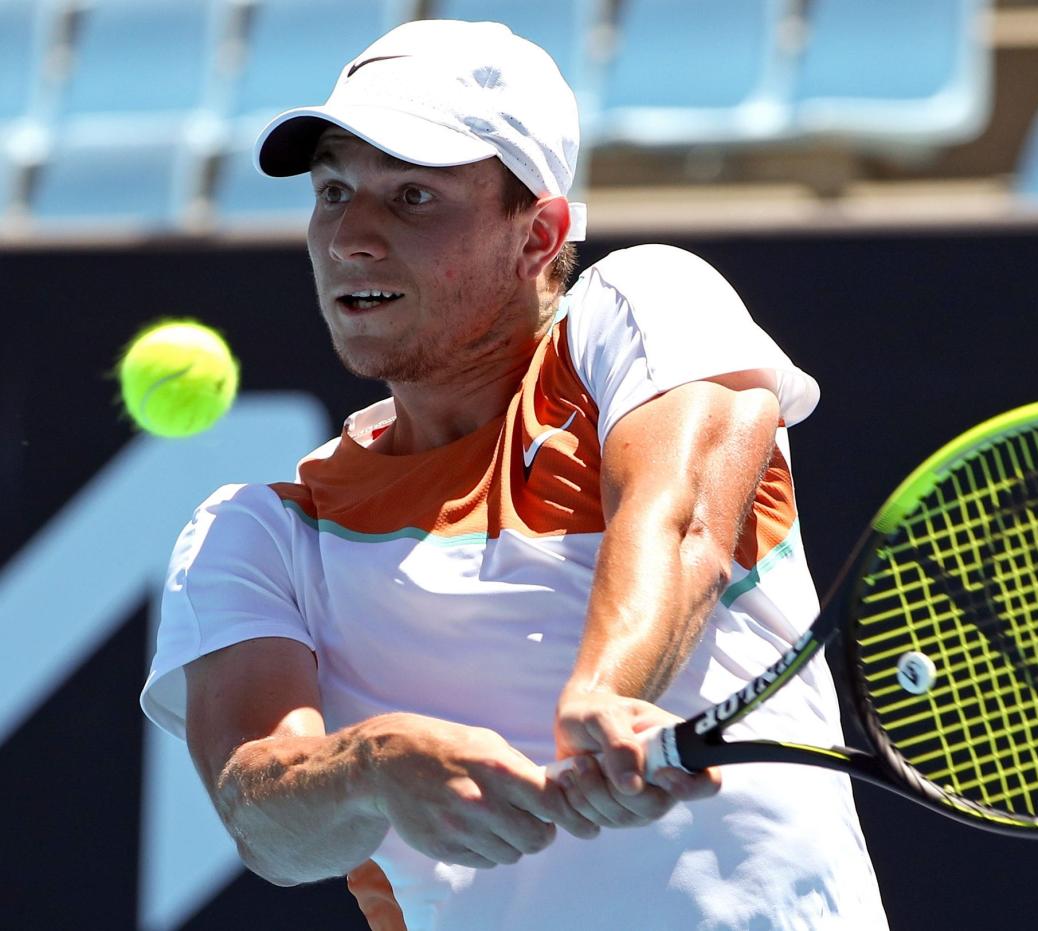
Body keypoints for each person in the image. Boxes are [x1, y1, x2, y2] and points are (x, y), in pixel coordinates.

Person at [139, 18, 889, 931]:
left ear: (539, 235)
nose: (352, 236)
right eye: (334, 191)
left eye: (413, 196)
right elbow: (263, 820)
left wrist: (609, 691)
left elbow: (680, 520)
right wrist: (374, 761)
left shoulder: (641, 310)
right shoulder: (257, 533)